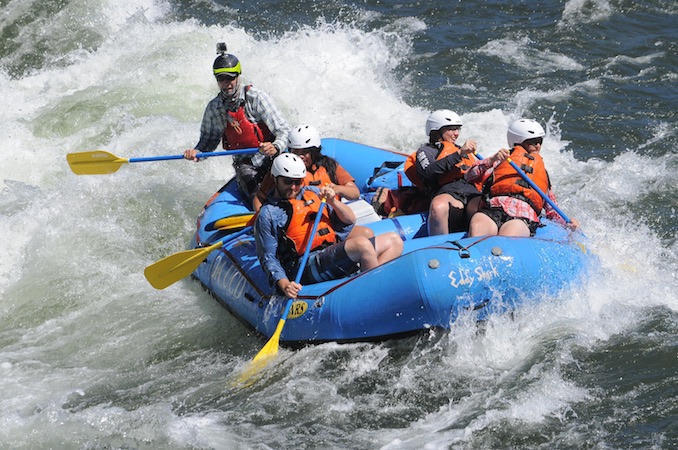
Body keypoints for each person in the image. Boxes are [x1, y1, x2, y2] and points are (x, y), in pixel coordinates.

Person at [254, 153, 403, 299]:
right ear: (275, 179)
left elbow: (349, 221)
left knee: (394, 240)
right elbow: (268, 257)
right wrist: (285, 284)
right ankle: (376, 295)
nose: (293, 187)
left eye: (298, 181)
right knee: (362, 245)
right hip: (303, 267)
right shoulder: (268, 214)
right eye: (287, 181)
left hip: (329, 253)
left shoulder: (313, 192)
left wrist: (333, 201)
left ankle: (368, 281)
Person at [184, 43, 291, 201]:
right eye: (221, 79)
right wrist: (196, 153)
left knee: (288, 182)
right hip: (247, 165)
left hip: (272, 157)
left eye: (230, 78)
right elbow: (207, 142)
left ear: (238, 76)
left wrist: (275, 146)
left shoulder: (257, 98)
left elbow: (285, 130)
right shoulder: (214, 108)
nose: (227, 83)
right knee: (252, 187)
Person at [465, 118, 580, 237]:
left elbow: (551, 210)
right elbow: (469, 175)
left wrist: (568, 223)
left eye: (540, 141)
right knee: (478, 226)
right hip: (493, 209)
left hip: (522, 218)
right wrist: (492, 159)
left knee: (508, 235)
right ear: (518, 141)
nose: (538, 146)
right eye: (533, 142)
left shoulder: (542, 172)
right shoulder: (500, 159)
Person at [403, 109, 483, 235]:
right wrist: (459, 154)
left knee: (484, 206)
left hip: (470, 192)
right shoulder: (426, 151)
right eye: (451, 129)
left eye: (458, 129)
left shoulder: (464, 152)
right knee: (438, 206)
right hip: (447, 193)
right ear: (436, 130)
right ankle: (438, 247)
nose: (456, 134)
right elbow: (429, 172)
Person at [253, 124, 360, 212]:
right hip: (295, 224)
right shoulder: (282, 168)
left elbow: (354, 192)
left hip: (328, 221)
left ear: (314, 151)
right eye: (295, 152)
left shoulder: (329, 165)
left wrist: (337, 189)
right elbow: (259, 198)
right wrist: (261, 219)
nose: (300, 156)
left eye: (305, 152)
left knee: (365, 233)